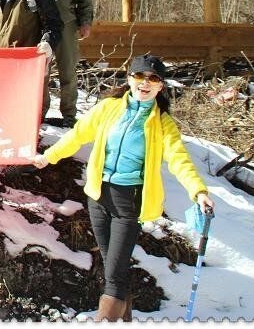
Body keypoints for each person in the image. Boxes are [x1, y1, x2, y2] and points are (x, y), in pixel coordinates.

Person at [32, 55, 215, 322]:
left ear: (161, 86)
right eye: (140, 76)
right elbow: (78, 135)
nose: (145, 83)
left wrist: (198, 191)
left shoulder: (162, 124)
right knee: (112, 266)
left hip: (128, 202)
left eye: (153, 79)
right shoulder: (109, 108)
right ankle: (124, 318)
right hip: (97, 196)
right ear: (129, 79)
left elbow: (179, 159)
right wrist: (49, 157)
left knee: (114, 275)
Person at [0, 0, 93, 128]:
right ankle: (39, 114)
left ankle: (69, 116)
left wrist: (85, 21)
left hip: (66, 24)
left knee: (68, 72)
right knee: (41, 73)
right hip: (40, 26)